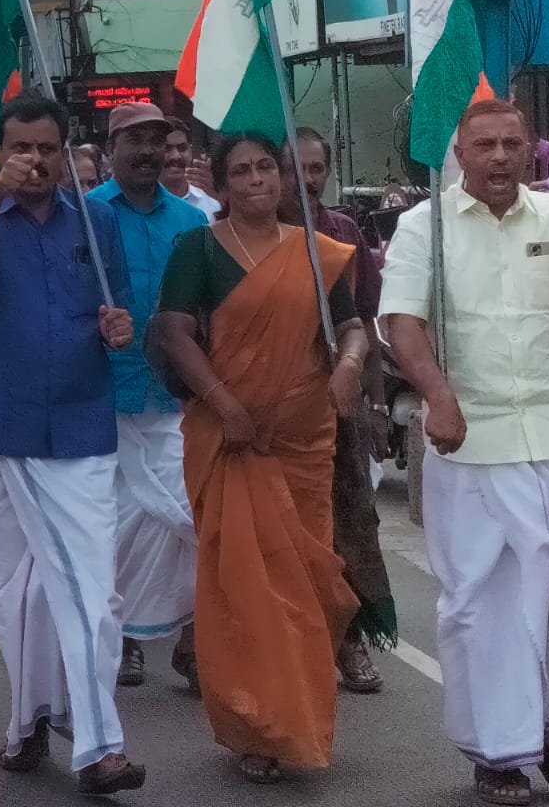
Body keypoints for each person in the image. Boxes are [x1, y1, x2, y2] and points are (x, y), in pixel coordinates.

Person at [381, 98, 549, 806]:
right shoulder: (422, 227)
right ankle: (500, 753)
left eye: (512, 144)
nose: (500, 157)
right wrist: (438, 396)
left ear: (530, 150)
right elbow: (402, 321)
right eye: (485, 146)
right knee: (486, 604)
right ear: (460, 155)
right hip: (472, 440)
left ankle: (547, 727)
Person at [0, 94, 145, 796]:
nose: (34, 159)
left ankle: (99, 745)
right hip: (2, 429)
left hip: (81, 432)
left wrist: (117, 330)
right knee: (17, 594)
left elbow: (115, 309)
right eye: (20, 147)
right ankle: (27, 722)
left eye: (47, 147)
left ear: (66, 151)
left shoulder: (98, 219)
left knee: (92, 591)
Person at [149, 132, 367, 785]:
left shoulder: (317, 254)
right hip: (232, 441)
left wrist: (351, 365)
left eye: (265, 167)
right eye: (239, 171)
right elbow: (171, 330)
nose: (255, 180)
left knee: (308, 589)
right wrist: (223, 403)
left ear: (282, 177)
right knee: (244, 594)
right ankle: (254, 726)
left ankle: (297, 719)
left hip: (302, 438)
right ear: (218, 184)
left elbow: (351, 325)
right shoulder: (199, 250)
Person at [86, 104, 206, 691]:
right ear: (111, 147)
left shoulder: (190, 222)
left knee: (189, 520)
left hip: (175, 400)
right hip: (102, 399)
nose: (147, 151)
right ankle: (125, 639)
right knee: (112, 530)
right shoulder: (84, 217)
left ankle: (192, 640)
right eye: (135, 139)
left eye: (157, 140)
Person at [289, 127, 397, 693]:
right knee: (286, 535)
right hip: (274, 415)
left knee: (351, 528)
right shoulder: (245, 240)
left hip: (341, 409)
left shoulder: (345, 233)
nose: (308, 180)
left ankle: (350, 642)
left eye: (317, 168)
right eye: (297, 168)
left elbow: (366, 323)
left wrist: (377, 404)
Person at [162, 119, 220, 217]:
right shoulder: (140, 203)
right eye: (167, 149)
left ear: (191, 151)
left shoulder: (212, 203)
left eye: (182, 148)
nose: (176, 156)